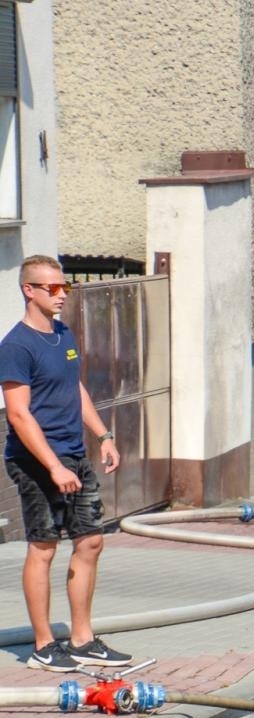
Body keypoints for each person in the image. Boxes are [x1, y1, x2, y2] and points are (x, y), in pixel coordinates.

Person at [0, 255, 132, 671]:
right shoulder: (16, 346)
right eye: (52, 288)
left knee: (91, 540)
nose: (61, 295)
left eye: (65, 287)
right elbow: (18, 414)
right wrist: (54, 467)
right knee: (44, 547)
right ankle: (42, 646)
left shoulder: (62, 334)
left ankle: (81, 639)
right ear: (29, 290)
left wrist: (103, 436)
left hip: (74, 454)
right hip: (37, 461)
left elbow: (74, 388)